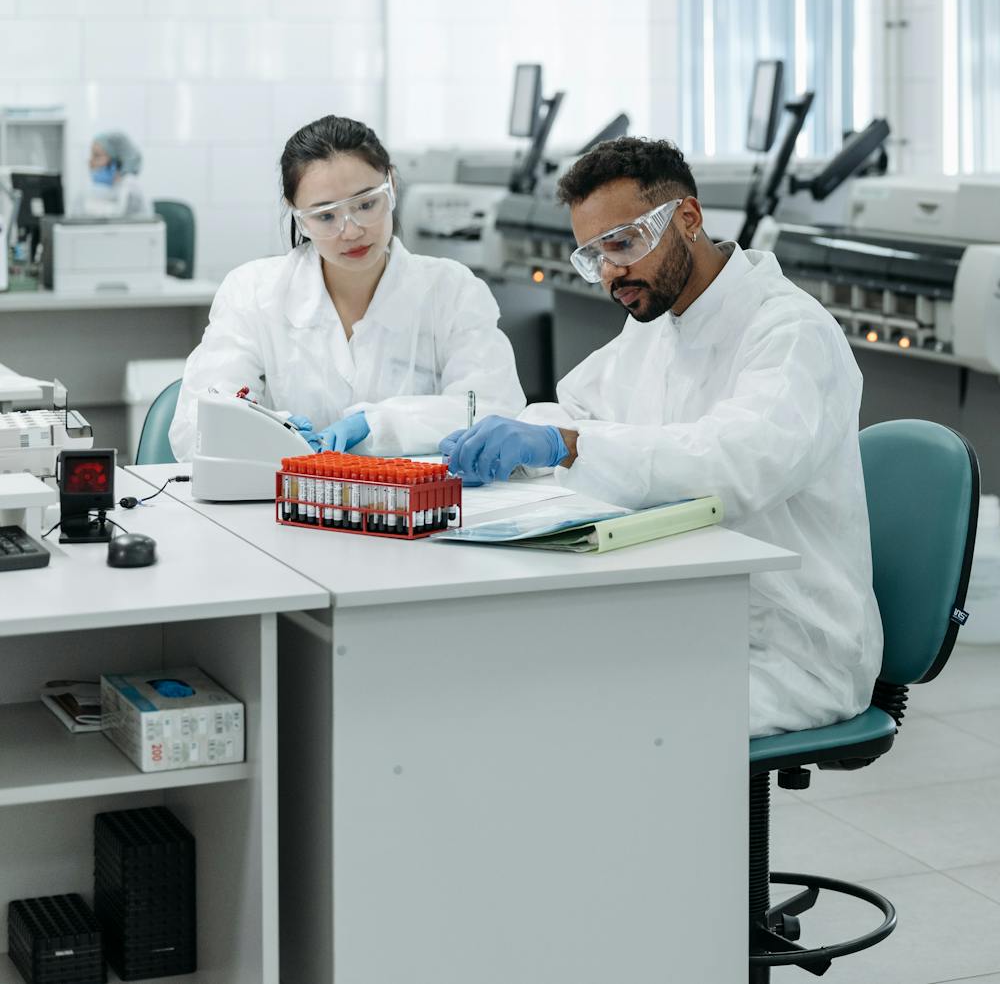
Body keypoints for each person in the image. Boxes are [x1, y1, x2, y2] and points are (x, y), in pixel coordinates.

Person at [437, 138, 882, 738]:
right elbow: (577, 409)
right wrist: (523, 434)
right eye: (592, 255)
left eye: (622, 243)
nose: (611, 272)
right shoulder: (657, 325)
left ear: (688, 218)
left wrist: (565, 445)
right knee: (506, 676)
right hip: (681, 613)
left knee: (580, 722)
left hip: (786, 645)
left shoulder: (789, 332)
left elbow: (735, 465)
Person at [169, 116, 525, 461]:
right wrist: (273, 436)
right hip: (287, 507)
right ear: (299, 219)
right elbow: (196, 426)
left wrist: (378, 425)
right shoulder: (252, 292)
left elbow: (493, 410)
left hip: (417, 512)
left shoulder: (453, 291)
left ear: (392, 187)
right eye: (326, 216)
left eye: (366, 204)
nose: (351, 231)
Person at [83, 130, 151, 218]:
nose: (90, 162)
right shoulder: (110, 187)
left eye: (97, 155)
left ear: (117, 162)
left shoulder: (130, 188)